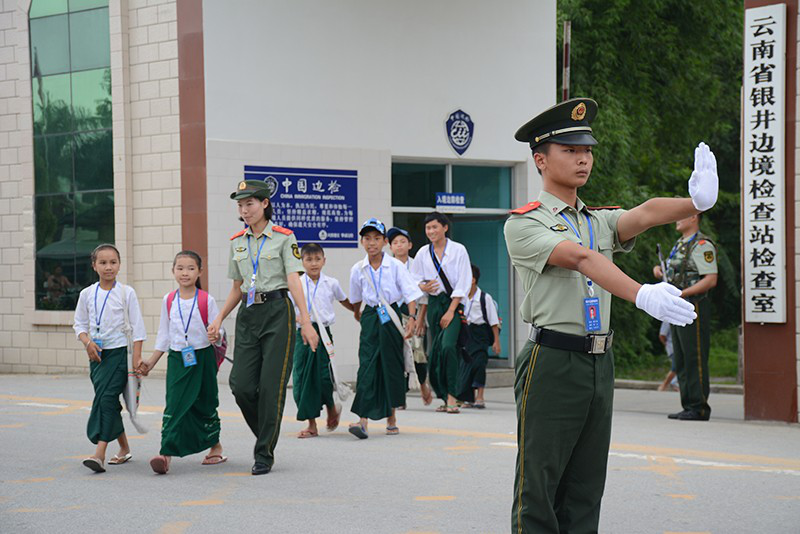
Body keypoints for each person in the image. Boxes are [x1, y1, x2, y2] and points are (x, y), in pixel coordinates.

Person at [504, 97, 717, 533]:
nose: (583, 159)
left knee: (586, 486)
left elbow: (645, 213)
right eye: (570, 150)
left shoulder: (595, 220)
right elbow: (581, 259)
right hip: (553, 360)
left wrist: (694, 201)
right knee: (538, 484)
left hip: (599, 361)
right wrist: (642, 295)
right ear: (540, 160)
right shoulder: (524, 224)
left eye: (587, 150)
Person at [207, 180, 319, 476]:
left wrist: (305, 320)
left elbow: (294, 280)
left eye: (250, 204)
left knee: (271, 386)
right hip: (248, 313)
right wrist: (219, 318)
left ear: (265, 203)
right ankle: (267, 433)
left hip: (277, 312)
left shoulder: (284, 237)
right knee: (240, 385)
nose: (245, 210)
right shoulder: (237, 241)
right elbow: (237, 287)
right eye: (240, 205)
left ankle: (264, 453)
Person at [139, 251, 226, 474]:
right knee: (175, 404)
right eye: (180, 268)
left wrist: (216, 334)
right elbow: (164, 335)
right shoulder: (169, 300)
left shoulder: (206, 300)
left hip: (203, 358)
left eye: (190, 268)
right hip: (178, 359)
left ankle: (215, 446)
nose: (185, 273)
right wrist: (151, 362)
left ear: (200, 272)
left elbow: (219, 330)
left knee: (205, 403)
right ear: (173, 271)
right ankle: (165, 453)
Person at [73, 244, 146, 473]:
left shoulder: (126, 292)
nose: (108, 267)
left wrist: (136, 358)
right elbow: (79, 325)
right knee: (109, 402)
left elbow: (138, 328)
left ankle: (99, 454)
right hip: (97, 355)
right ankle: (124, 448)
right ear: (94, 266)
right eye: (103, 263)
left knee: (105, 399)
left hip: (119, 354)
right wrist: (87, 343)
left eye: (113, 262)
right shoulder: (87, 294)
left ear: (119, 265)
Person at [348, 218, 423, 439]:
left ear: (384, 242)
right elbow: (355, 298)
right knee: (367, 365)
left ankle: (392, 417)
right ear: (362, 241)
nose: (371, 243)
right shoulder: (357, 269)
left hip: (391, 315)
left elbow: (410, 294)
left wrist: (412, 318)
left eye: (376, 238)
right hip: (371, 315)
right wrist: (358, 315)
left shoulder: (396, 266)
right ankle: (362, 420)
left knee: (391, 364)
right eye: (367, 238)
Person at [653, 213, 718, 420]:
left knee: (694, 355)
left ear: (694, 218)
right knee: (680, 356)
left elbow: (710, 279)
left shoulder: (702, 245)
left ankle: (699, 407)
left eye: (682, 216)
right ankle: (688, 405)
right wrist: (659, 271)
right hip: (678, 305)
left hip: (693, 305)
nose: (677, 219)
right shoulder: (680, 244)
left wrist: (683, 293)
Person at [410, 212, 472, 414]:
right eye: (428, 228)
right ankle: (445, 396)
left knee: (447, 347)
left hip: (452, 303)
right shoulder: (423, 253)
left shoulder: (458, 250)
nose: (431, 231)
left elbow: (463, 281)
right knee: (436, 352)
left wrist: (451, 310)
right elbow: (413, 280)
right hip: (433, 304)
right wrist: (422, 287)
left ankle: (453, 396)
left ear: (445, 227)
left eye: (434, 227)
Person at [290, 242, 354, 438]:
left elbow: (345, 300)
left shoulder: (331, 283)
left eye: (317, 259)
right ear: (302, 262)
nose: (314, 263)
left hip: (324, 334)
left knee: (324, 376)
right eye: (309, 259)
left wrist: (359, 312)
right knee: (302, 378)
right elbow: (288, 309)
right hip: (302, 334)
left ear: (324, 261)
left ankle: (331, 408)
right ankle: (311, 424)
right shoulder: (296, 283)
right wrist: (300, 320)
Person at [387, 226, 433, 405]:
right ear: (390, 247)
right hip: (394, 314)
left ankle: (422, 383)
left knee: (417, 353)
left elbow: (424, 296)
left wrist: (420, 319)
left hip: (414, 314)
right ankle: (400, 396)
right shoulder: (386, 267)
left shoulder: (417, 266)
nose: (399, 245)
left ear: (410, 245)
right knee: (395, 355)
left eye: (402, 242)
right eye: (395, 242)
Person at [457, 264, 501, 409]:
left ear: (473, 280)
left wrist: (496, 341)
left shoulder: (485, 298)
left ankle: (480, 396)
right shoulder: (461, 297)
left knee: (479, 364)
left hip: (480, 334)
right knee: (466, 365)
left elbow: (493, 321)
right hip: (466, 333)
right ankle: (468, 398)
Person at [657, 321, 678, 392]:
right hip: (672, 347)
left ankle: (674, 383)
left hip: (679, 347)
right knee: (676, 367)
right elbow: (662, 335)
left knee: (682, 366)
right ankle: (664, 385)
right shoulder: (667, 321)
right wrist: (667, 344)